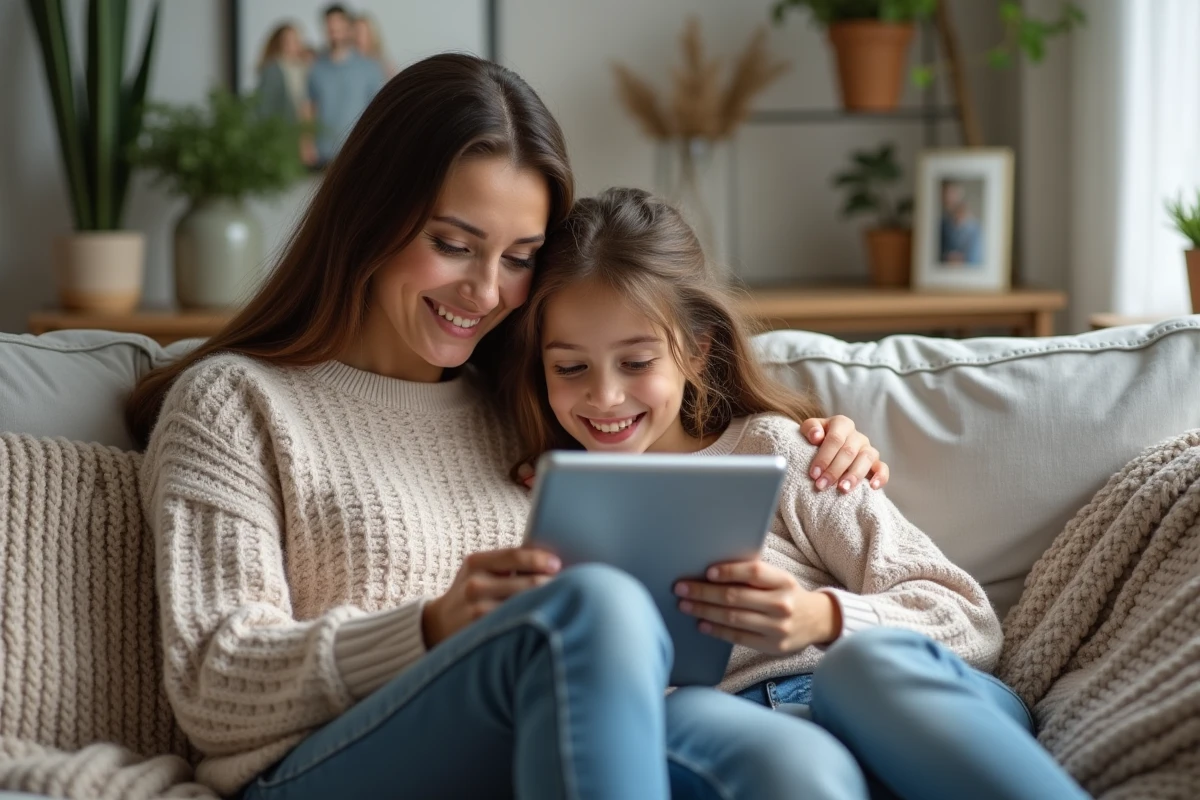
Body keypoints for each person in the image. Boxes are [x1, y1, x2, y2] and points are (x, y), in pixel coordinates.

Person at [127, 54, 892, 800]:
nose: (486, 291)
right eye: (453, 245)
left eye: (520, 258)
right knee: (592, 607)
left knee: (789, 766)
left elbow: (661, 393)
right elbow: (211, 681)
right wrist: (429, 629)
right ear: (371, 219)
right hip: (320, 764)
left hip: (556, 736)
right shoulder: (235, 404)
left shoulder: (530, 398)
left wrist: (811, 435)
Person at [505, 187, 1089, 800]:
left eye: (636, 362)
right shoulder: (542, 500)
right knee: (697, 723)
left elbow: (969, 620)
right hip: (739, 735)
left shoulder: (782, 452)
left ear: (697, 351)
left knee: (861, 668)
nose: (604, 397)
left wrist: (822, 618)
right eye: (570, 368)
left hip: (906, 712)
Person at [302, 4, 385, 166]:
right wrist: (306, 144)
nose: (334, 31)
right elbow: (309, 108)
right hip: (322, 156)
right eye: (330, 26)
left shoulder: (369, 68)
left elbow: (377, 110)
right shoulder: (316, 69)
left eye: (338, 25)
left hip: (357, 154)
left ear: (348, 28)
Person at [255, 22, 309, 124]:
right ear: (280, 43)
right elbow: (265, 107)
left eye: (297, 39)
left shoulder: (302, 68)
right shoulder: (273, 70)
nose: (296, 44)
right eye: (290, 41)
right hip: (280, 130)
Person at [939, 179, 983, 265]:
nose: (948, 197)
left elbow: (974, 260)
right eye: (945, 193)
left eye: (952, 192)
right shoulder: (942, 224)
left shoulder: (975, 229)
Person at [353, 12, 397, 79]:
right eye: (355, 32)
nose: (357, 37)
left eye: (361, 32)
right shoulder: (349, 63)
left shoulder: (383, 64)